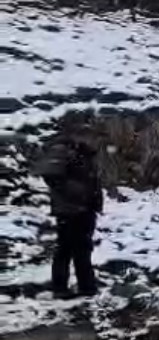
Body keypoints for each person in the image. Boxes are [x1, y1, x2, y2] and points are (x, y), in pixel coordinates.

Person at [34, 128, 103, 298]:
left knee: (80, 248)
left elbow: (90, 180)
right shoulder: (63, 149)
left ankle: (83, 287)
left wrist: (91, 200)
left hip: (84, 209)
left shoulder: (83, 152)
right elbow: (51, 175)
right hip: (70, 210)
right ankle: (67, 288)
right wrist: (77, 194)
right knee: (68, 249)